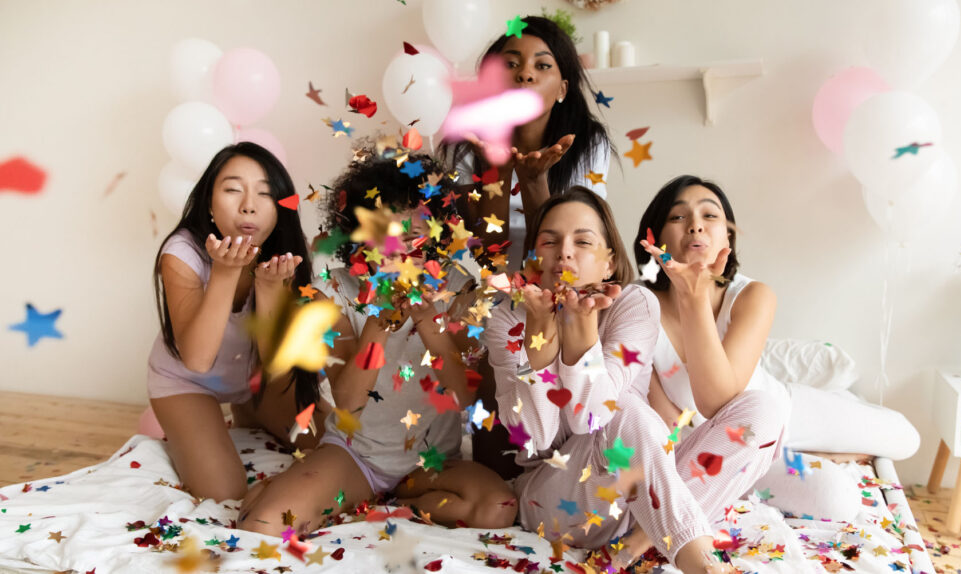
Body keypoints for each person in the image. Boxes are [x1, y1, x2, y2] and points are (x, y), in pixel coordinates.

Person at [237, 145, 516, 537]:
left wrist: (430, 325)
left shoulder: (456, 287)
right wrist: (381, 323)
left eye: (413, 235)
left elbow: (464, 398)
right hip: (355, 456)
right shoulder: (333, 289)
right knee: (265, 523)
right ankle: (345, 493)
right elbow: (348, 400)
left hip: (431, 465)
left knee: (498, 509)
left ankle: (398, 501)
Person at [636, 174, 920, 527]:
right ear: (654, 237)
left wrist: (694, 293)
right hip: (717, 453)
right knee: (838, 501)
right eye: (678, 217)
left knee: (906, 437)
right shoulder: (638, 307)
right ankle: (803, 457)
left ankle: (823, 436)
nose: (695, 226)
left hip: (785, 413)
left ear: (728, 237)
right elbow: (671, 427)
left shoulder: (752, 295)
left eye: (710, 216)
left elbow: (721, 398)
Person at [485, 187, 740, 573]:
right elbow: (538, 437)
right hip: (556, 498)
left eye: (583, 241)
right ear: (534, 258)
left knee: (763, 408)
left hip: (637, 499)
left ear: (609, 263)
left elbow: (591, 414)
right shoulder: (507, 319)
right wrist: (540, 338)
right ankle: (704, 567)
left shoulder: (634, 303)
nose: (564, 252)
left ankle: (641, 543)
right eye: (549, 241)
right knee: (623, 411)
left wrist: (584, 329)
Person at [448, 14, 615, 478]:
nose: (524, 74)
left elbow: (574, 257)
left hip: (565, 290)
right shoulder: (468, 149)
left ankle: (574, 449)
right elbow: (490, 259)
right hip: (498, 292)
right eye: (512, 64)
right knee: (498, 459)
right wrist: (498, 177)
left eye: (542, 66)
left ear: (562, 87)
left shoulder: (588, 146)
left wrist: (536, 181)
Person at [149, 142, 325, 502]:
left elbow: (278, 365)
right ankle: (228, 414)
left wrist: (269, 286)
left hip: (256, 378)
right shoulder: (181, 253)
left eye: (265, 193)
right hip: (186, 382)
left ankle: (248, 410)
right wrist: (225, 272)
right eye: (232, 190)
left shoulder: (286, 251)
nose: (249, 205)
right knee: (225, 493)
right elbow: (196, 360)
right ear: (209, 203)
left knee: (334, 443)